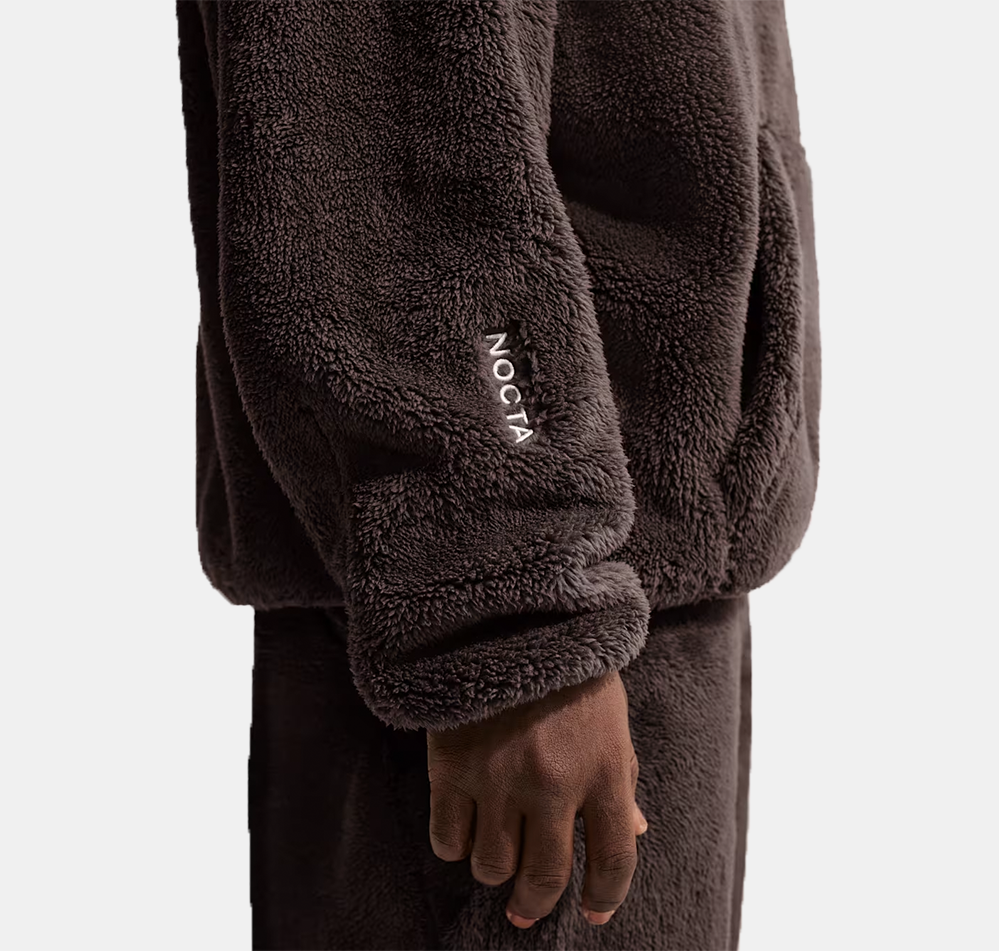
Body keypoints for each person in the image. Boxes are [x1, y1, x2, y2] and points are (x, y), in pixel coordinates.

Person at [174, 1, 820, 948]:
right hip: (532, 616)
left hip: (622, 577)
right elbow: (391, 123)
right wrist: (510, 605)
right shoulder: (521, 610)